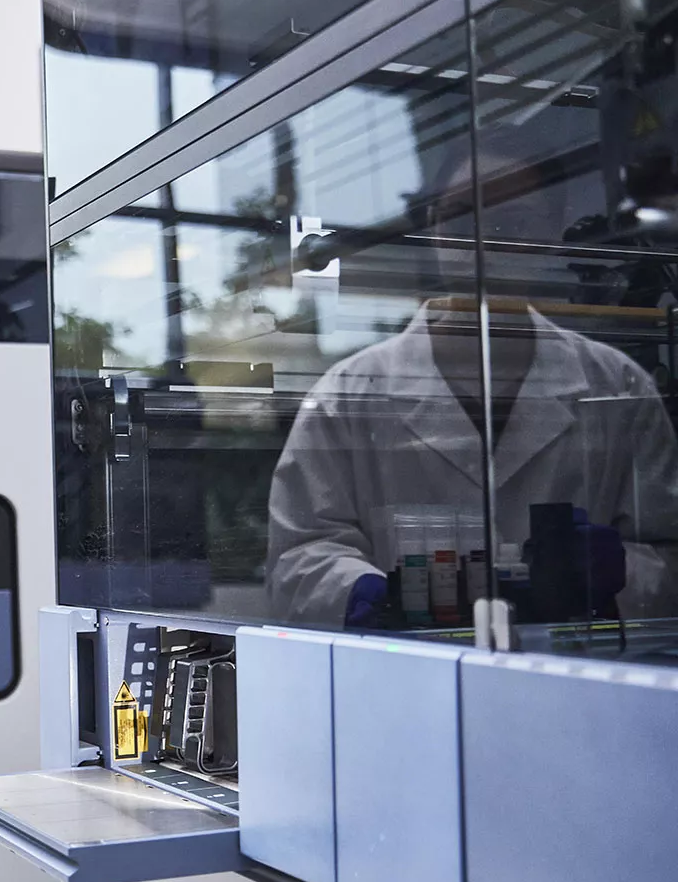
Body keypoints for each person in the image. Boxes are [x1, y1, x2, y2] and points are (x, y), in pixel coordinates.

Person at [267, 137, 678, 631]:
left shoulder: (617, 385)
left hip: (576, 677)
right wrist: (361, 594)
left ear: (550, 233)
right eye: (462, 217)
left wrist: (620, 574)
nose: (486, 241)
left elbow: (668, 553)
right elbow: (299, 556)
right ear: (435, 228)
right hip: (411, 683)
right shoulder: (346, 397)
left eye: (514, 221)